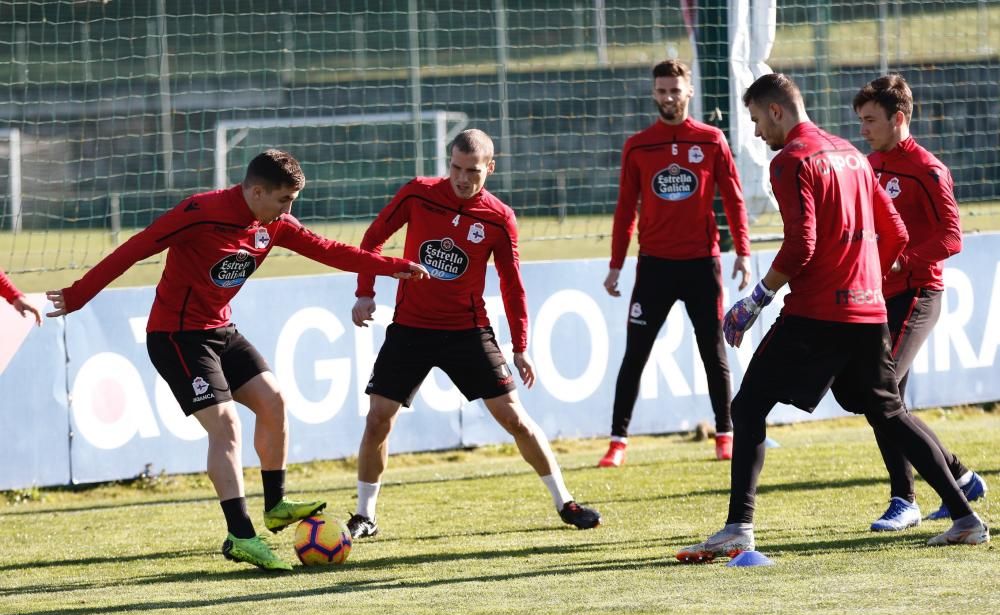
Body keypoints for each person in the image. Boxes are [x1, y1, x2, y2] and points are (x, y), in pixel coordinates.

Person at [46, 149, 428, 571]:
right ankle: (240, 535)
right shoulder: (200, 211)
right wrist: (78, 294)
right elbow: (136, 248)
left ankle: (276, 503)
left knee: (273, 399)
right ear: (257, 191)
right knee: (225, 423)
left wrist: (392, 266)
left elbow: (327, 249)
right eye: (284, 200)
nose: (289, 210)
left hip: (220, 329)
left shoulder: (273, 222)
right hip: (177, 336)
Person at [676, 73, 989, 563]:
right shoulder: (850, 154)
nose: (757, 133)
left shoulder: (791, 160)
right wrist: (865, 276)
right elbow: (897, 231)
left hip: (817, 310)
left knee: (750, 405)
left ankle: (739, 527)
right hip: (868, 309)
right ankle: (964, 516)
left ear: (776, 111)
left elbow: (802, 245)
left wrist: (755, 299)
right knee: (885, 408)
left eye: (757, 120)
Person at [346, 128, 601, 539]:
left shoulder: (499, 218)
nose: (462, 178)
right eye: (456, 168)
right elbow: (372, 240)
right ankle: (365, 515)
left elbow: (512, 284)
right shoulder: (418, 193)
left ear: (490, 168)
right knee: (378, 419)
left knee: (514, 418)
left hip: (468, 331)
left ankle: (565, 502)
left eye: (473, 171)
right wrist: (364, 293)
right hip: (411, 327)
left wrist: (520, 346)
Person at [599, 59, 752, 467]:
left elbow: (734, 199)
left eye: (675, 90)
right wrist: (616, 264)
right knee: (635, 354)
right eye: (662, 90)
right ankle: (617, 442)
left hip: (702, 264)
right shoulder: (638, 144)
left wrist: (744, 252)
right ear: (654, 93)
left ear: (689, 92)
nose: (668, 97)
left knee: (712, 351)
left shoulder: (711, 139)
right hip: (653, 268)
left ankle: (725, 434)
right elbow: (624, 209)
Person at [854, 74, 987, 532]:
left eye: (871, 120)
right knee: (886, 398)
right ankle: (959, 479)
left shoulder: (928, 169)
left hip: (917, 293)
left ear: (899, 118)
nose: (864, 129)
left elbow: (952, 237)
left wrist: (902, 260)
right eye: (861, 120)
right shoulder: (868, 165)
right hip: (876, 296)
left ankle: (905, 498)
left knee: (880, 394)